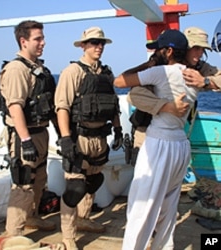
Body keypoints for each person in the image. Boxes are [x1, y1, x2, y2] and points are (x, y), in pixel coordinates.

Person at [114, 29, 202, 250]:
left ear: (169, 51)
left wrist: (151, 63)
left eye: (159, 50)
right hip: (181, 145)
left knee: (141, 206)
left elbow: (120, 80)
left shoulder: (162, 72)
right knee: (168, 206)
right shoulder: (193, 76)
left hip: (159, 145)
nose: (155, 54)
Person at [55, 26, 123, 250]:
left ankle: (84, 219)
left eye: (101, 43)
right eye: (94, 42)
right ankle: (68, 236)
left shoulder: (106, 73)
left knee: (93, 182)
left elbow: (113, 106)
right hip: (78, 136)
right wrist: (66, 139)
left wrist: (119, 129)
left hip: (99, 137)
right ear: (83, 45)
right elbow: (62, 107)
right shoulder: (72, 72)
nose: (99, 46)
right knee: (75, 188)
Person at [124, 26, 221, 166]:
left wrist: (205, 82)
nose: (200, 53)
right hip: (147, 132)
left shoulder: (199, 68)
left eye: (203, 49)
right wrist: (166, 107)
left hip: (174, 137)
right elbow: (134, 95)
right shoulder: (160, 67)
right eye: (196, 48)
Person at [0, 20, 57, 236]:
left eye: (42, 38)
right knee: (23, 183)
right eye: (37, 39)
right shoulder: (16, 69)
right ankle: (13, 234)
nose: (43, 42)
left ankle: (32, 217)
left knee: (40, 178)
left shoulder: (39, 69)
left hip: (41, 132)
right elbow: (15, 107)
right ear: (23, 41)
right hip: (25, 135)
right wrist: (25, 140)